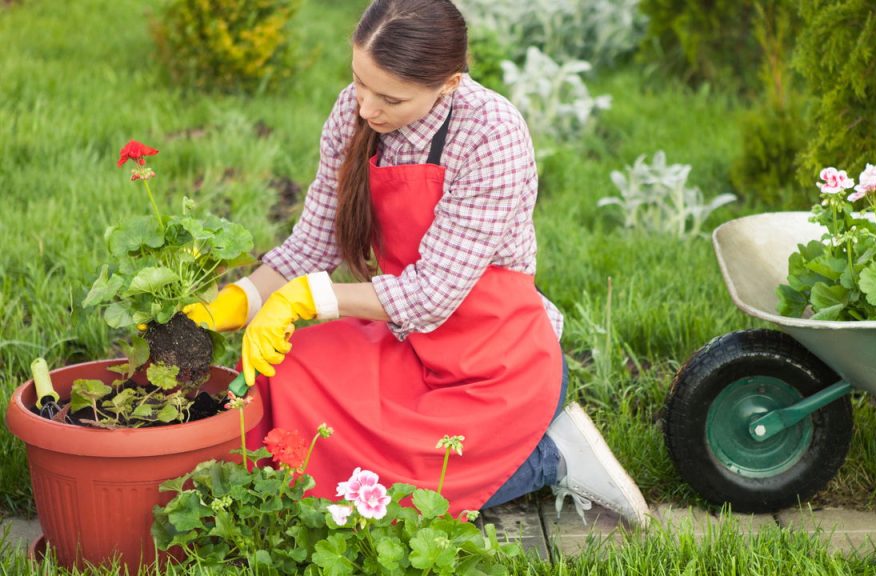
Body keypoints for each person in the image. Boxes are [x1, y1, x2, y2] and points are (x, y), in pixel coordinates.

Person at [185, 0, 649, 525]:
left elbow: (431, 294)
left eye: (390, 98)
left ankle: (554, 455)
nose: (366, 108)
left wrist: (309, 299)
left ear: (448, 84)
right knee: (283, 370)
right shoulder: (353, 113)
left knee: (395, 498)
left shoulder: (491, 134)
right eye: (359, 82)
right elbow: (314, 243)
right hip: (408, 338)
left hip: (494, 360)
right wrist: (237, 300)